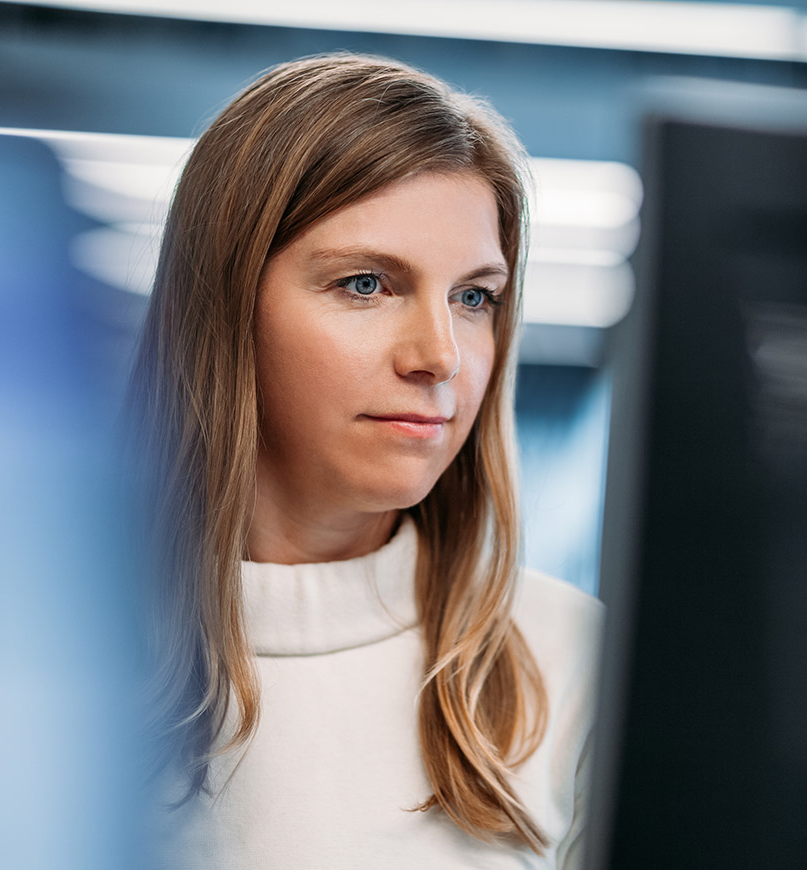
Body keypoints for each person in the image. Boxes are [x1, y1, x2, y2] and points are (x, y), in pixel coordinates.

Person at [127, 53, 603, 869]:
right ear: (225, 304)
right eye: (365, 284)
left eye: (473, 297)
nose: (440, 356)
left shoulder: (573, 660)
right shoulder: (37, 651)